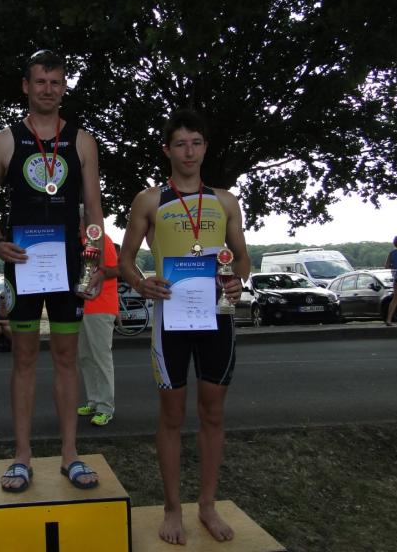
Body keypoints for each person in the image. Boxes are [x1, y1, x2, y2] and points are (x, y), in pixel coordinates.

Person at [0, 50, 106, 492]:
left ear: (64, 87)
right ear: (26, 87)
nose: (48, 89)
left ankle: (70, 454)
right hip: (24, 263)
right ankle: (22, 456)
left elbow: (93, 208)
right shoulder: (4, 141)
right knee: (24, 359)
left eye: (55, 82)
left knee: (67, 358)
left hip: (69, 265)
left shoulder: (82, 140)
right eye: (40, 81)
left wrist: (94, 262)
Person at [118, 109, 250, 545]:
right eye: (180, 144)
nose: (189, 152)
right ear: (167, 150)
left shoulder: (226, 201)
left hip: (216, 317)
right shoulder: (149, 200)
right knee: (172, 415)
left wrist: (237, 281)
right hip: (170, 317)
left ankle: (207, 505)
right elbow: (125, 259)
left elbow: (242, 259)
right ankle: (172, 508)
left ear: (205, 147)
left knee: (212, 412)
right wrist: (141, 282)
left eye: (196, 143)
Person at [77, 231, 119, 426]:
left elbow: (116, 269)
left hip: (101, 305)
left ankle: (105, 408)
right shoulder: (77, 241)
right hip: (81, 307)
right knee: (85, 357)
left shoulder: (101, 239)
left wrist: (98, 275)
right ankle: (94, 401)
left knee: (101, 359)